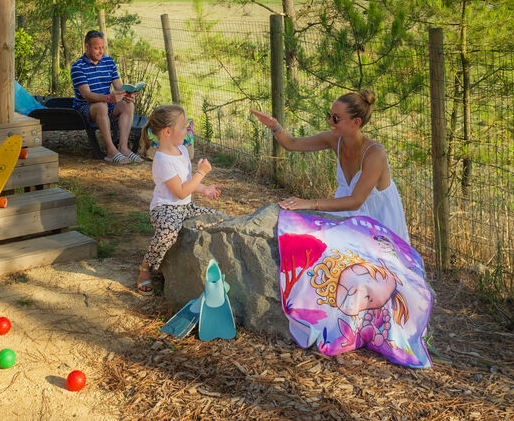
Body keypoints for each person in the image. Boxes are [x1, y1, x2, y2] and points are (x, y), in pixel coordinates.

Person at [250, 89, 410, 244]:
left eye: (336, 118)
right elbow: (291, 143)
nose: (330, 122)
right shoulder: (334, 140)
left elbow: (356, 201)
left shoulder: (375, 153)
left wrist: (309, 203)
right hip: (347, 213)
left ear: (356, 122)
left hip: (379, 218)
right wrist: (274, 126)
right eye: (329, 115)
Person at [137, 104, 223, 295]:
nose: (188, 130)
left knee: (220, 218)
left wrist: (204, 189)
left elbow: (187, 183)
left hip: (186, 207)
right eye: (183, 126)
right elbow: (181, 192)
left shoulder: (182, 150)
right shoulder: (162, 159)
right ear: (168, 131)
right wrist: (202, 172)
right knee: (168, 232)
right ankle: (146, 267)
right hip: (164, 209)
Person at [71, 30, 138, 164]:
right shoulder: (78, 67)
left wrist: (128, 94)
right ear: (86, 47)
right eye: (96, 48)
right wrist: (108, 98)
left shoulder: (109, 62)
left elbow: (118, 86)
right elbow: (87, 95)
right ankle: (110, 151)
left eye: (102, 48)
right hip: (86, 108)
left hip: (108, 105)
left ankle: (123, 147)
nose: (100, 51)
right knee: (101, 106)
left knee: (128, 105)